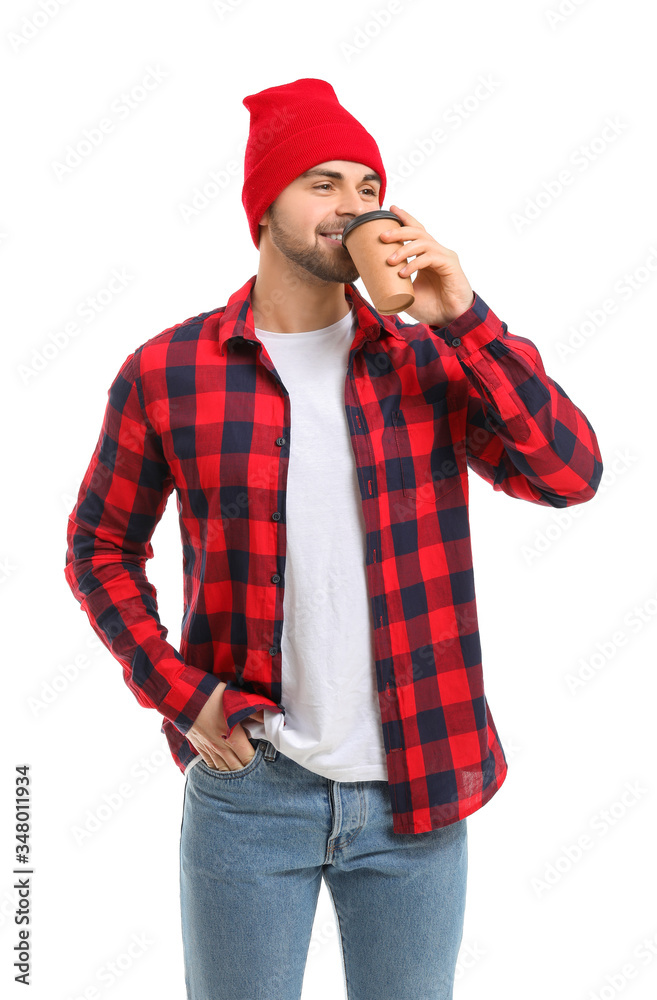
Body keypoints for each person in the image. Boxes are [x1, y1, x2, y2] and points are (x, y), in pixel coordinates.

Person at [63, 77, 603, 1000]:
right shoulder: (169, 370)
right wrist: (182, 696)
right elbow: (99, 549)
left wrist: (464, 316)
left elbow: (567, 475)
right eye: (323, 182)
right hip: (249, 792)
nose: (355, 205)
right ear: (262, 208)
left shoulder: (429, 358)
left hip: (418, 794)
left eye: (367, 184)